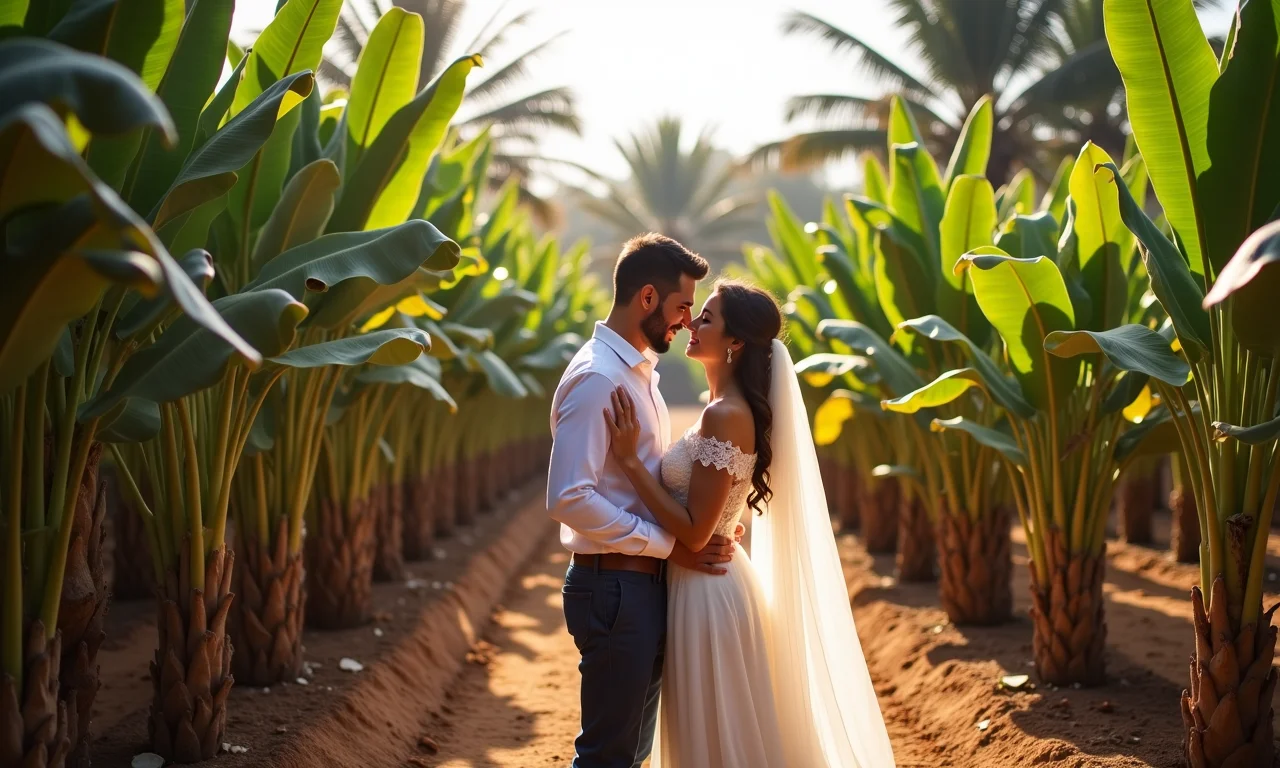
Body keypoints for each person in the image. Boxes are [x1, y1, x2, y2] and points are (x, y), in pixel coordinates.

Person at [604, 279, 897, 767]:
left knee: (717, 740)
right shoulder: (718, 411)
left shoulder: (725, 415)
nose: (693, 324)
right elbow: (712, 513)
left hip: (708, 591)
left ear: (735, 342)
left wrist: (631, 463)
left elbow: (696, 532)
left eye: (709, 318)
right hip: (703, 579)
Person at [546, 233, 743, 768]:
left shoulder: (638, 375)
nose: (686, 322)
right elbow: (569, 497)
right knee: (607, 756)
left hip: (637, 586)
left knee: (630, 754)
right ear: (648, 299)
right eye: (682, 307)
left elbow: (645, 477)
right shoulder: (597, 379)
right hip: (613, 588)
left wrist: (714, 517)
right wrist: (667, 546)